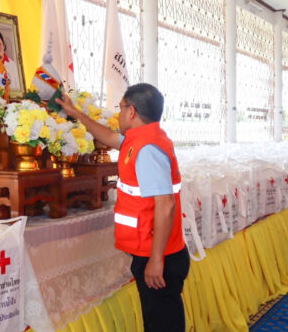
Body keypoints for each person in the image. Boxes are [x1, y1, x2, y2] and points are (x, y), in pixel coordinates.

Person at [56, 83, 189, 332]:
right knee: (159, 320)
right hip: (153, 249)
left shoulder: (148, 150)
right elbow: (107, 136)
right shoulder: (141, 139)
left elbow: (166, 205)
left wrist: (156, 260)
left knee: (162, 323)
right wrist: (76, 113)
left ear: (132, 111)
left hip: (158, 254)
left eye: (120, 108)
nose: (118, 114)